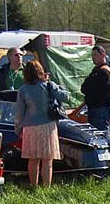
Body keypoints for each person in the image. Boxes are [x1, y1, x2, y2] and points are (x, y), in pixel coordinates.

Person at [14, 60, 70, 188]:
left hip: (30, 127)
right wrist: (52, 82)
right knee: (47, 160)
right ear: (41, 71)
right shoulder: (48, 85)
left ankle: (34, 185)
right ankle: (46, 187)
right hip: (48, 126)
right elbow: (66, 97)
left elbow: (19, 113)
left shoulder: (22, 90)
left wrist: (18, 129)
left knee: (33, 160)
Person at [81, 45, 110, 132]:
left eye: (95, 55)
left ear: (103, 55)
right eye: (92, 55)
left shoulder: (104, 71)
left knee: (100, 136)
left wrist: (88, 87)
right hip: (94, 107)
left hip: (100, 109)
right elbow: (84, 87)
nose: (93, 57)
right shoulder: (96, 70)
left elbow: (89, 88)